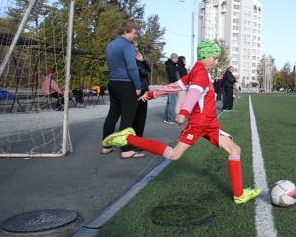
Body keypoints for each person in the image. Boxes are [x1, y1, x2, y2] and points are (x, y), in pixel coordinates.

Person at [101, 40, 262, 204]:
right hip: (199, 124)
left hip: (210, 124)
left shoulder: (197, 71)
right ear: (206, 56)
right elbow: (193, 93)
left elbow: (174, 86)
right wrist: (184, 112)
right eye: (214, 58)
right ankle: (128, 138)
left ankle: (239, 194)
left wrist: (151, 94)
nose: (216, 61)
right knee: (174, 155)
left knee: (234, 149)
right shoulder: (200, 73)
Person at [102, 22, 144, 158]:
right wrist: (138, 86)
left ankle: (106, 146)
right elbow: (132, 67)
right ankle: (126, 150)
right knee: (127, 118)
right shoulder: (127, 45)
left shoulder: (110, 45)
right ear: (126, 32)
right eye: (134, 33)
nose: (135, 36)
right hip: (126, 84)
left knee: (112, 115)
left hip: (113, 83)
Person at [132, 42, 151, 140]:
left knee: (142, 114)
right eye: (134, 46)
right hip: (135, 88)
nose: (136, 49)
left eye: (137, 46)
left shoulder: (139, 58)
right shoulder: (130, 58)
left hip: (143, 88)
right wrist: (139, 62)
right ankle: (132, 137)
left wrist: (142, 60)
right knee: (134, 114)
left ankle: (138, 137)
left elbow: (148, 70)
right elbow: (143, 73)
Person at [164, 53, 180, 123]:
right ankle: (171, 119)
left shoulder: (170, 65)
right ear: (172, 58)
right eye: (175, 58)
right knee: (172, 102)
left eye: (177, 58)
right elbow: (172, 77)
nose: (176, 59)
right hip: (171, 85)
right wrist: (176, 84)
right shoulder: (171, 65)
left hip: (169, 85)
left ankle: (166, 117)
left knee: (169, 102)